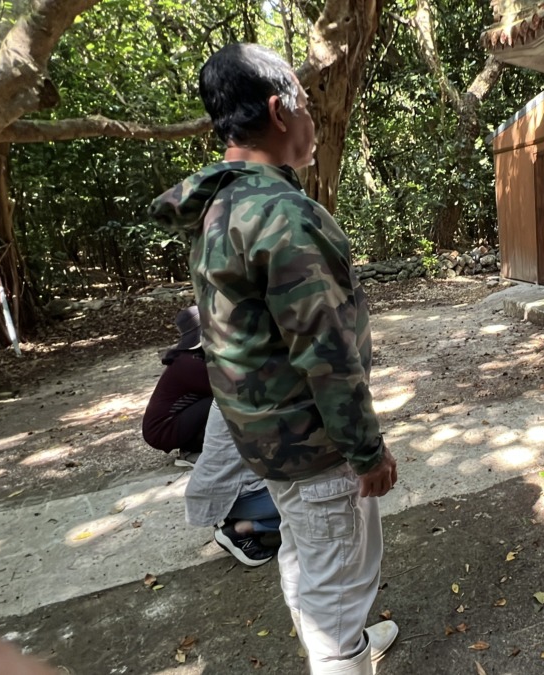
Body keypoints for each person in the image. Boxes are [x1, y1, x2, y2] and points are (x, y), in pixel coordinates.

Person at [150, 43, 398, 674]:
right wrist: (367, 452)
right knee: (337, 586)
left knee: (307, 560)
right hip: (315, 448)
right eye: (306, 103)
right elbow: (327, 352)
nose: (312, 117)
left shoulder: (220, 208)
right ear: (280, 110)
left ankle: (340, 643)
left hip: (267, 442)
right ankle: (341, 653)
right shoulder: (284, 215)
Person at [186, 402, 282, 567]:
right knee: (320, 500)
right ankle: (242, 529)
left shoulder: (228, 390)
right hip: (238, 493)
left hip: (219, 490)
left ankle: (250, 520)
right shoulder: (257, 397)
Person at [141, 306, 211, 467]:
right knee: (220, 403)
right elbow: (229, 390)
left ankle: (195, 446)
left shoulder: (191, 358)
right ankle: (193, 451)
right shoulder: (189, 364)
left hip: (171, 426)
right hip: (163, 430)